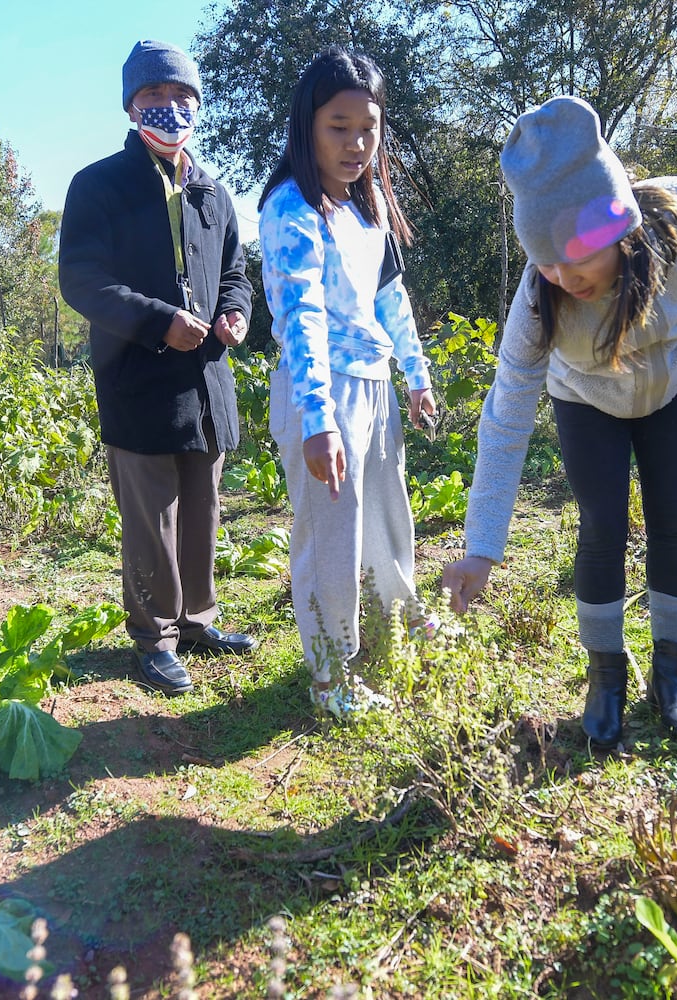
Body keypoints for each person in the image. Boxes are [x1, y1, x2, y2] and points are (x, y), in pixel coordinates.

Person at [441, 97, 677, 750]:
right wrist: (482, 546)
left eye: (573, 257)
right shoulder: (540, 298)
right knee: (602, 525)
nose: (561, 276)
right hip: (587, 402)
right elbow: (504, 416)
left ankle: (674, 672)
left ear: (617, 224)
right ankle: (605, 673)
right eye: (544, 260)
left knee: (675, 521)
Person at [59, 39, 257, 697]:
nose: (169, 109)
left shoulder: (214, 193)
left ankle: (198, 623)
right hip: (138, 379)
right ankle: (154, 638)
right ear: (131, 105)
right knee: (151, 519)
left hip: (206, 380)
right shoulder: (98, 185)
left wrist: (235, 313)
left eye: (180, 98)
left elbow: (236, 271)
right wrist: (157, 322)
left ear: (197, 105)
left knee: (202, 509)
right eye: (153, 98)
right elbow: (81, 280)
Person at [258, 47, 437, 711]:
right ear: (307, 126)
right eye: (339, 126)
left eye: (369, 128)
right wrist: (318, 420)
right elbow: (298, 315)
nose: (357, 143)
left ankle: (406, 618)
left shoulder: (368, 209)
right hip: (321, 389)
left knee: (388, 518)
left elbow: (390, 299)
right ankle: (331, 676)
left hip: (373, 382)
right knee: (329, 541)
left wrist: (414, 376)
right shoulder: (291, 208)